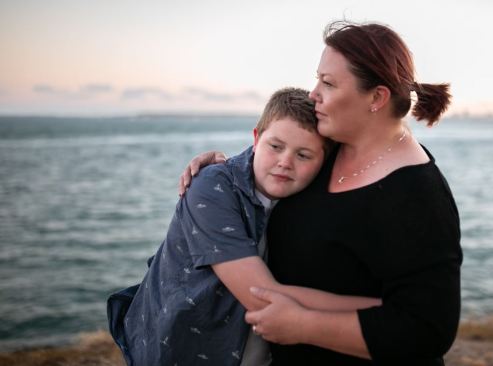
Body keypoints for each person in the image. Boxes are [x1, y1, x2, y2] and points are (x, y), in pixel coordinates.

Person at [179, 21, 462, 365]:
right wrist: (223, 169)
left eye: (327, 83)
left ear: (376, 97)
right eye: (318, 79)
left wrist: (305, 326)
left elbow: (429, 331)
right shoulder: (328, 148)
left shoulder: (418, 196)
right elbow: (275, 158)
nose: (314, 93)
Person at [107, 87, 381, 366]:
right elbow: (263, 297)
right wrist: (386, 313)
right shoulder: (211, 187)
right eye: (275, 146)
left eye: (304, 155)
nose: (285, 162)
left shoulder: (308, 194)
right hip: (181, 349)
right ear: (256, 138)